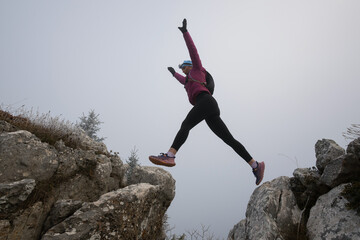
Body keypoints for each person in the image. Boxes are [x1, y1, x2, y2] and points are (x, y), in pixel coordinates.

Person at [149, 19, 265, 185]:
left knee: (186, 124)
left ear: (190, 66)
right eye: (181, 68)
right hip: (208, 106)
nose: (183, 69)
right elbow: (183, 80)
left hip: (206, 101)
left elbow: (193, 51)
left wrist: (185, 33)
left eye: (184, 66)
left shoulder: (197, 69)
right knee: (228, 139)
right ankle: (255, 165)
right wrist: (174, 73)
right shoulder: (188, 80)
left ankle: (170, 156)